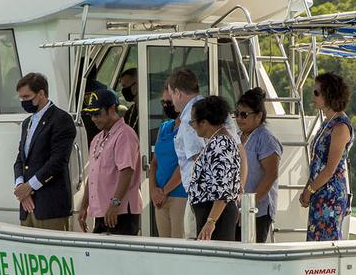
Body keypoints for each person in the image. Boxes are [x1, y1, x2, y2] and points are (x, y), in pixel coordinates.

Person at [13, 72, 77, 231]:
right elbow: (20, 159)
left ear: (41, 94)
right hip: (27, 206)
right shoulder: (27, 123)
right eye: (21, 98)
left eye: (27, 97)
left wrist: (30, 186)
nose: (24, 102)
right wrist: (21, 186)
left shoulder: (61, 119)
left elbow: (58, 160)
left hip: (50, 206)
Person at [78, 89, 143, 236]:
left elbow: (127, 171)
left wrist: (115, 204)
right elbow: (93, 175)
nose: (94, 119)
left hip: (120, 212)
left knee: (121, 256)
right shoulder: (97, 138)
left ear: (112, 109)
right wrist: (84, 205)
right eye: (91, 115)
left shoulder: (124, 135)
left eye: (97, 114)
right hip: (103, 211)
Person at [300, 72, 353, 241]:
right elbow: (317, 163)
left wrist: (310, 190)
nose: (313, 96)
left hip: (330, 195)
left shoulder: (341, 127)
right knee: (315, 241)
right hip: (319, 191)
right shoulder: (327, 123)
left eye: (317, 92)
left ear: (329, 94)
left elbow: (330, 169)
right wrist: (309, 187)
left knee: (325, 243)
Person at [188, 96, 242, 241]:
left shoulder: (220, 144)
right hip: (212, 212)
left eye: (193, 121)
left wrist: (211, 221)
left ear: (204, 122)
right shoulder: (219, 141)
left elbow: (222, 190)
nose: (192, 126)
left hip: (216, 214)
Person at [235, 87, 282, 243]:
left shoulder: (266, 138)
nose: (239, 118)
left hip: (257, 211)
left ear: (259, 116)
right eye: (237, 114)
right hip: (237, 210)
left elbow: (271, 175)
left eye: (244, 115)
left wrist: (248, 207)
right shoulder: (238, 136)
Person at [148, 88, 187, 238]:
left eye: (169, 102)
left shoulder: (188, 128)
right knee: (164, 244)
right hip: (160, 196)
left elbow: (184, 165)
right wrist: (153, 190)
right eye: (163, 102)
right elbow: (154, 162)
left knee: (179, 242)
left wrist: (164, 191)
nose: (166, 106)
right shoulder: (164, 127)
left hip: (180, 194)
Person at [119, 67, 139, 134]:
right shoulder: (130, 111)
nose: (123, 91)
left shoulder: (151, 110)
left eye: (125, 86)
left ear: (137, 85)